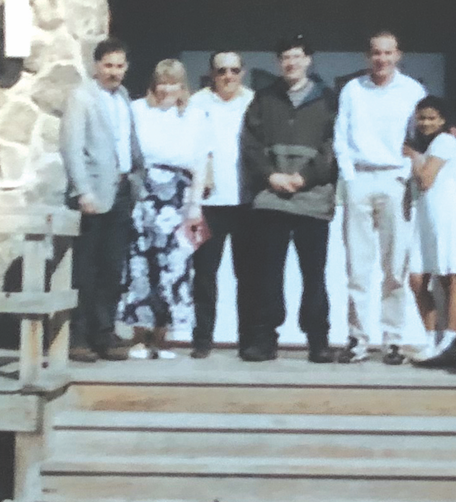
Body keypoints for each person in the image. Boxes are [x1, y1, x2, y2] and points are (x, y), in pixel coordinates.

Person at [238, 36, 341, 363]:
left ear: (308, 60)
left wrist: (305, 177)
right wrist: (270, 176)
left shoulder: (329, 100)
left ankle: (318, 341)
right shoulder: (264, 98)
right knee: (268, 275)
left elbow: (335, 145)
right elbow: (250, 144)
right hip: (272, 198)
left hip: (313, 201)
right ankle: (265, 340)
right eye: (285, 57)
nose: (291, 63)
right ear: (278, 62)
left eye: (297, 56)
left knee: (314, 275)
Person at [335, 30, 428, 365]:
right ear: (367, 56)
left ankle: (393, 341)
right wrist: (348, 176)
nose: (382, 59)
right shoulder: (353, 89)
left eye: (388, 53)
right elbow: (341, 135)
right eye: (376, 53)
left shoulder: (412, 91)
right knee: (357, 266)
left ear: (398, 55)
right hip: (360, 177)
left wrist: (406, 173)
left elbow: (420, 136)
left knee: (395, 266)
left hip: (395, 179)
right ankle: (357, 339)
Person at [59, 38, 143, 362]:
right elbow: (71, 147)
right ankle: (79, 336)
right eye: (108, 65)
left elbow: (128, 142)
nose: (114, 72)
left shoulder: (123, 97)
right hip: (92, 194)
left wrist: (136, 178)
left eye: (119, 66)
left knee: (112, 268)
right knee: (86, 269)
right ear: (96, 66)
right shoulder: (82, 97)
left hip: (120, 191)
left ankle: (104, 332)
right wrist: (83, 191)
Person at [120, 59, 209, 360]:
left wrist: (195, 205)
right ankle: (138, 336)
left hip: (178, 196)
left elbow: (200, 161)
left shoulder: (195, 115)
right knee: (139, 264)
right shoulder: (137, 110)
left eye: (174, 83)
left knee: (174, 267)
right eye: (162, 82)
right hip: (144, 195)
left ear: (183, 86)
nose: (167, 88)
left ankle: (162, 338)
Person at [185, 51, 254, 359]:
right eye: (222, 70)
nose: (228, 76)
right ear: (212, 74)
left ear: (242, 72)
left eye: (234, 70)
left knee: (248, 276)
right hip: (207, 204)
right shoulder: (197, 103)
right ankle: (202, 340)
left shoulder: (253, 102)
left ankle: (248, 341)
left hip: (246, 203)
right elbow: (188, 146)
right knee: (203, 276)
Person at [405, 95, 456, 368]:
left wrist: (412, 156)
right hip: (424, 217)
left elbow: (425, 179)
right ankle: (430, 338)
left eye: (432, 118)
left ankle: (449, 341)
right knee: (417, 279)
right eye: (421, 118)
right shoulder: (429, 145)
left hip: (445, 215)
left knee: (450, 277)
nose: (426, 123)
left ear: (442, 120)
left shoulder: (444, 142)